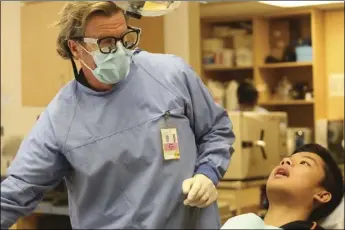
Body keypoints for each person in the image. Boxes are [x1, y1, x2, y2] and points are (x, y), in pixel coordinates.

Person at [0, 2, 235, 229]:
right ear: (75, 48)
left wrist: (208, 173)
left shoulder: (171, 74)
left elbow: (217, 129)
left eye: (125, 38)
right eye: (106, 42)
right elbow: (18, 189)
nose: (120, 50)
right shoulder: (60, 119)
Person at [222, 143, 344, 229]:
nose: (286, 161)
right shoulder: (242, 223)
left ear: (322, 195)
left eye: (304, 163)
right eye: (285, 160)